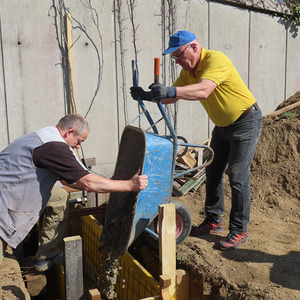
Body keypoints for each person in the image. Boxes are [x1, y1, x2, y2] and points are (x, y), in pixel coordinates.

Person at [130, 30, 262, 251]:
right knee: (213, 171)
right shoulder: (189, 71)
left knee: (237, 175)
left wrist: (170, 89)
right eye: (174, 58)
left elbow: (203, 90)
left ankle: (239, 229)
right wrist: (147, 95)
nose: (178, 61)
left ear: (194, 47)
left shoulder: (215, 59)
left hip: (245, 122)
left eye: (179, 55)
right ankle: (213, 220)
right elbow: (172, 95)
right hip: (222, 127)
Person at [0, 114, 148, 269]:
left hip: (14, 186)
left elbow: (68, 180)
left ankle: (46, 254)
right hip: (5, 200)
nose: (78, 146)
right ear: (69, 132)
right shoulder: (54, 147)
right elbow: (88, 182)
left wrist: (111, 184)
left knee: (59, 197)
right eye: (79, 141)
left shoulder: (45, 135)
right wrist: (130, 185)